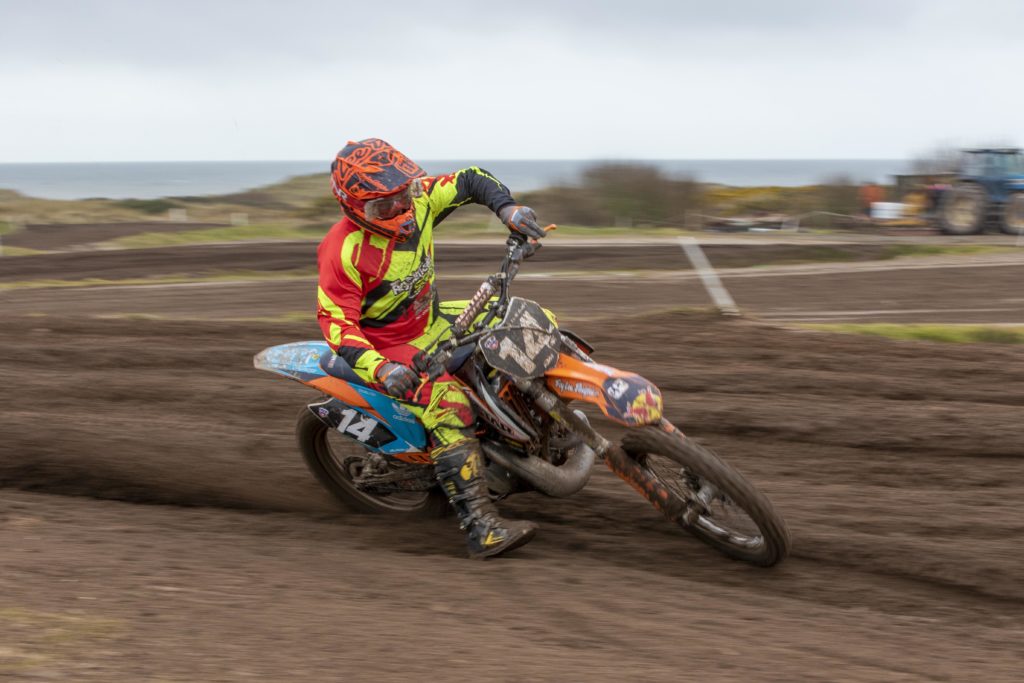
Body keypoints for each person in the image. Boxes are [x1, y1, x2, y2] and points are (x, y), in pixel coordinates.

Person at [316, 138, 548, 559]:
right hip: (390, 346)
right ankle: (480, 525)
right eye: (382, 205)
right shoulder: (342, 250)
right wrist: (382, 369)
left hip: (433, 319)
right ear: (353, 206)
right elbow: (336, 323)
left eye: (401, 194)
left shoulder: (419, 201)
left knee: (531, 321)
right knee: (450, 405)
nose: (399, 209)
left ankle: (536, 424)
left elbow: (471, 180)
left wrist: (507, 209)